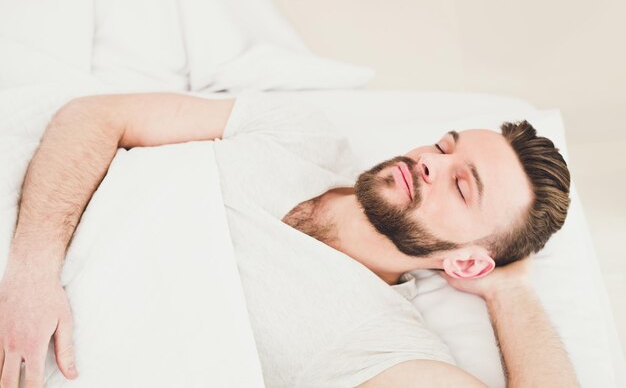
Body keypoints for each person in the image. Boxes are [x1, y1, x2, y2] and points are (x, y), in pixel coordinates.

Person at [0, 92, 579, 388]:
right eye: (446, 146)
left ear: (472, 263)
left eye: (461, 185)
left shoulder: (379, 342)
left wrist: (513, 292)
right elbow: (97, 116)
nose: (430, 161)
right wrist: (30, 271)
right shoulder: (300, 132)